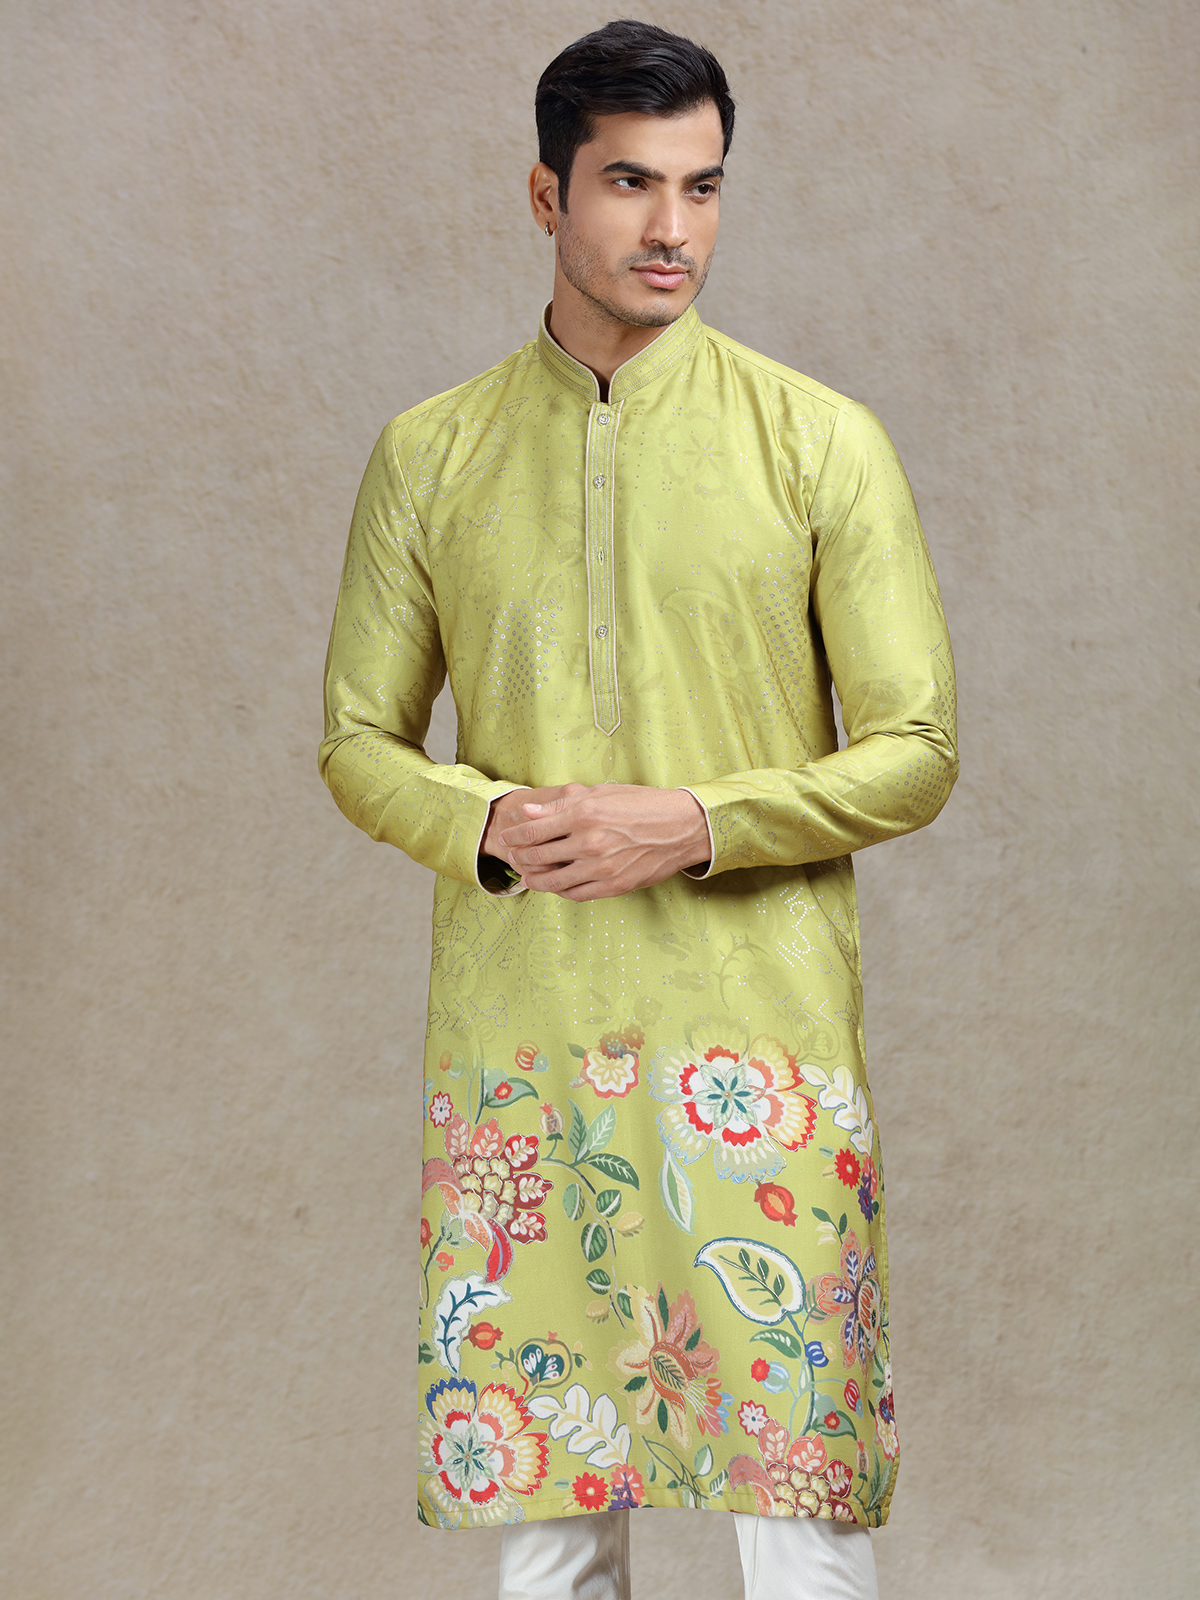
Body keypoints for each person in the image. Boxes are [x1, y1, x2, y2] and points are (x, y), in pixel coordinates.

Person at [319, 19, 957, 1599]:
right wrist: (481, 823)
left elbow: (917, 748)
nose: (674, 227)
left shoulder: (818, 443)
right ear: (548, 194)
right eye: (630, 183)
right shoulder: (434, 455)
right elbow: (357, 743)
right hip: (526, 1046)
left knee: (800, 1517)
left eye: (703, 186)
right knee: (547, 1531)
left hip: (760, 1048)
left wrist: (697, 823)